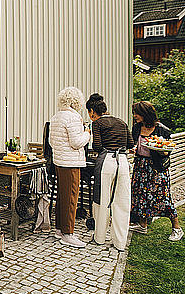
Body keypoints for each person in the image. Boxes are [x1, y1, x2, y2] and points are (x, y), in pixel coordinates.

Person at [87, 93, 134, 251]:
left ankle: (99, 237)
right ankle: (120, 242)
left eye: (89, 112)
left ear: (93, 111)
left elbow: (97, 146)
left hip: (107, 161)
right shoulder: (121, 122)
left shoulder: (97, 123)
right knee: (121, 201)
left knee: (102, 200)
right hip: (122, 162)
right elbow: (130, 143)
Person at [130, 101, 183, 241]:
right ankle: (142, 225)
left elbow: (167, 150)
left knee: (163, 197)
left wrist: (163, 152)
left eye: (137, 113)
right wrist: (134, 149)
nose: (134, 116)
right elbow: (135, 144)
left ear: (145, 114)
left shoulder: (162, 130)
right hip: (140, 166)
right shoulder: (136, 128)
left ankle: (177, 228)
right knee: (140, 195)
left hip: (156, 169)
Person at [49, 87, 91, 248]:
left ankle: (60, 229)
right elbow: (76, 142)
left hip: (59, 161)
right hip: (71, 162)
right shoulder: (73, 118)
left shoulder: (56, 117)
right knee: (71, 198)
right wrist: (87, 133)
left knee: (62, 197)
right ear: (76, 102)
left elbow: (52, 142)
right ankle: (68, 233)